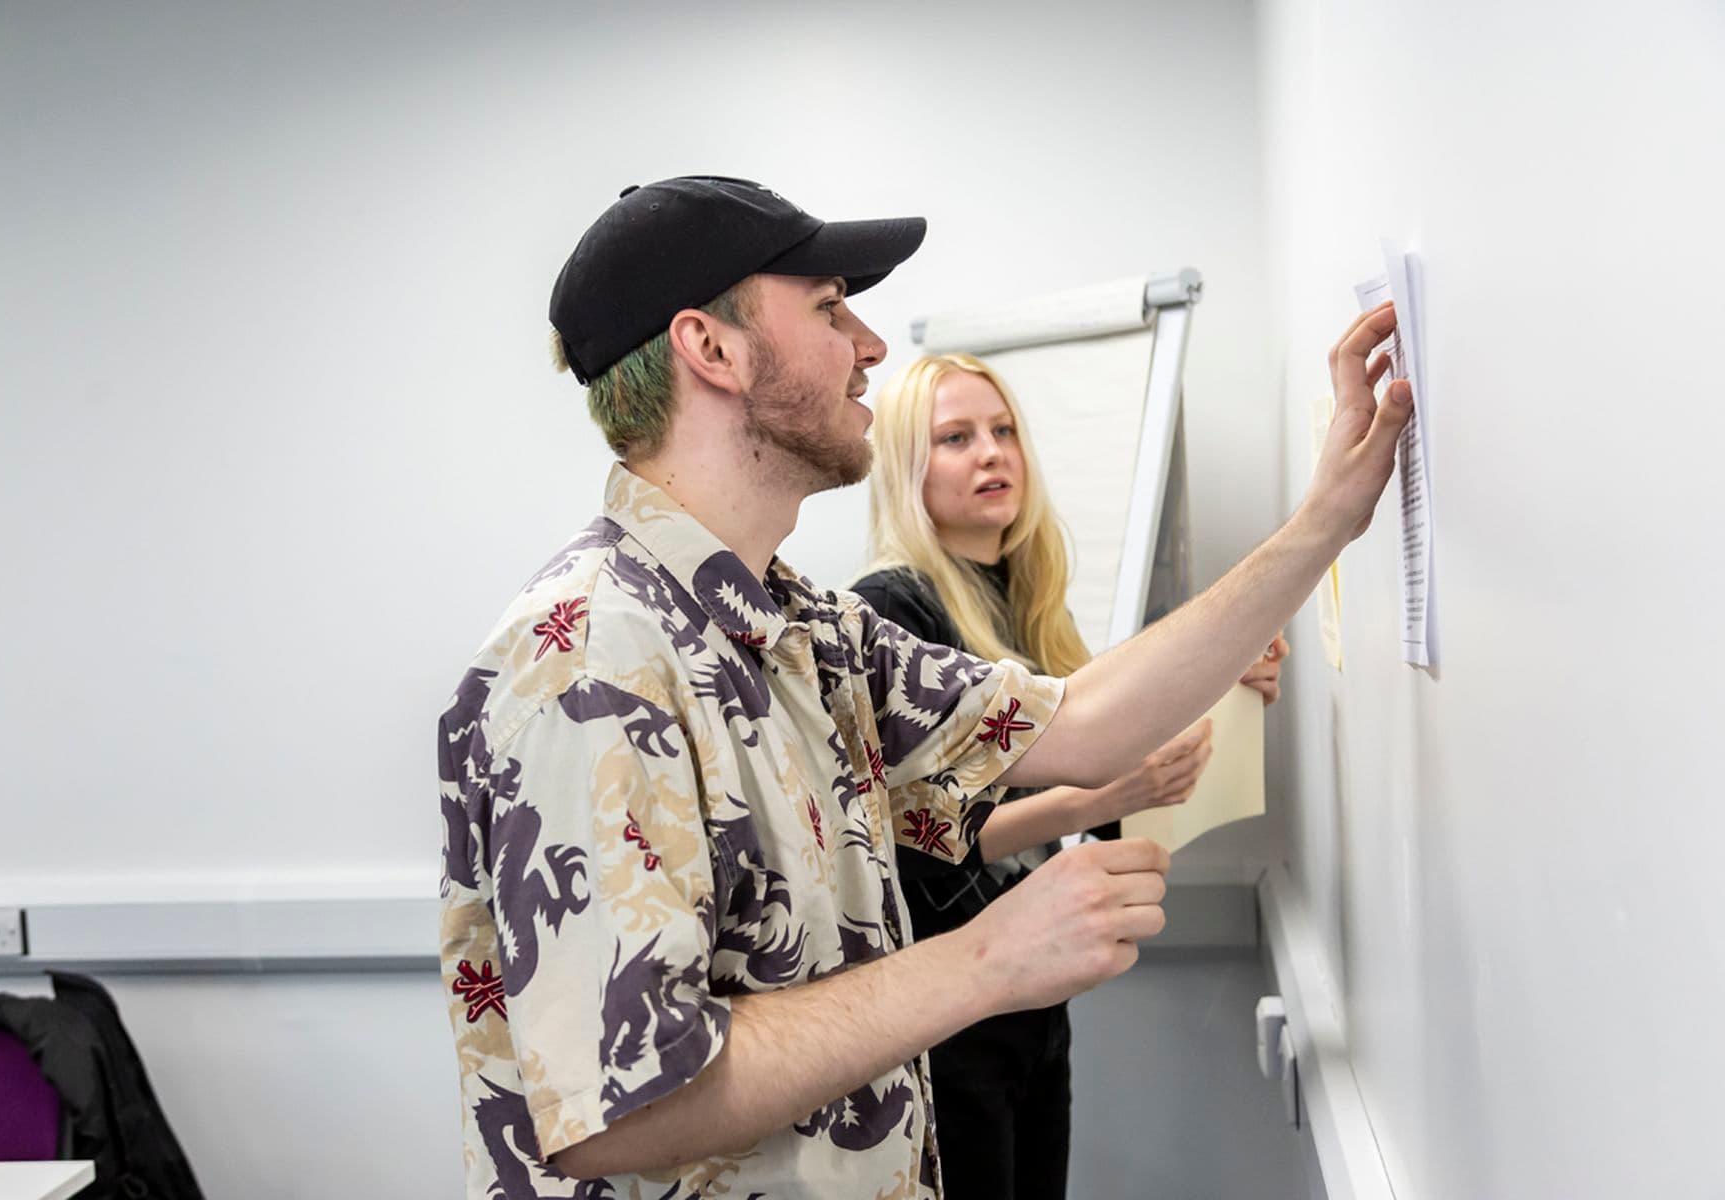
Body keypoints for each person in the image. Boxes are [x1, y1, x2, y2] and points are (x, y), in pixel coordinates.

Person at [436, 175, 1409, 1200]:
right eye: (827, 308)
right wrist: (987, 960)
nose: (869, 345)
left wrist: (1328, 518)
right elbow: (617, 1108)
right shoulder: (588, 657)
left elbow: (1081, 723)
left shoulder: (806, 628)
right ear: (710, 348)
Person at [851, 351, 1290, 1199]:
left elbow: (1108, 808)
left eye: (1004, 430)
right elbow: (923, 841)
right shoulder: (892, 611)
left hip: (1036, 1001)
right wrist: (1108, 790)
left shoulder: (1027, 603)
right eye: (955, 438)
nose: (992, 453)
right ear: (908, 469)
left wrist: (1220, 703)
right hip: (952, 1012)